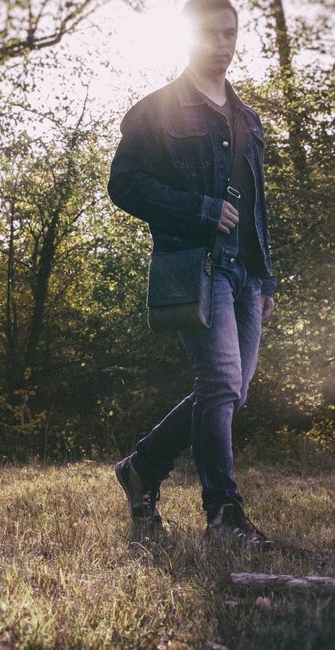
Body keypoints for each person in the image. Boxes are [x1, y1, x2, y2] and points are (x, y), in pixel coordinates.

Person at [107, 0, 276, 550]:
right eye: (212, 34)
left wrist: (267, 279)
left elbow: (257, 205)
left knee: (229, 391)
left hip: (247, 274)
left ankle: (142, 467)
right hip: (196, 269)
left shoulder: (246, 117)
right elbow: (124, 186)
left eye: (231, 33)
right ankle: (224, 514)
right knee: (222, 385)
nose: (224, 44)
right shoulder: (156, 110)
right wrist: (199, 209)